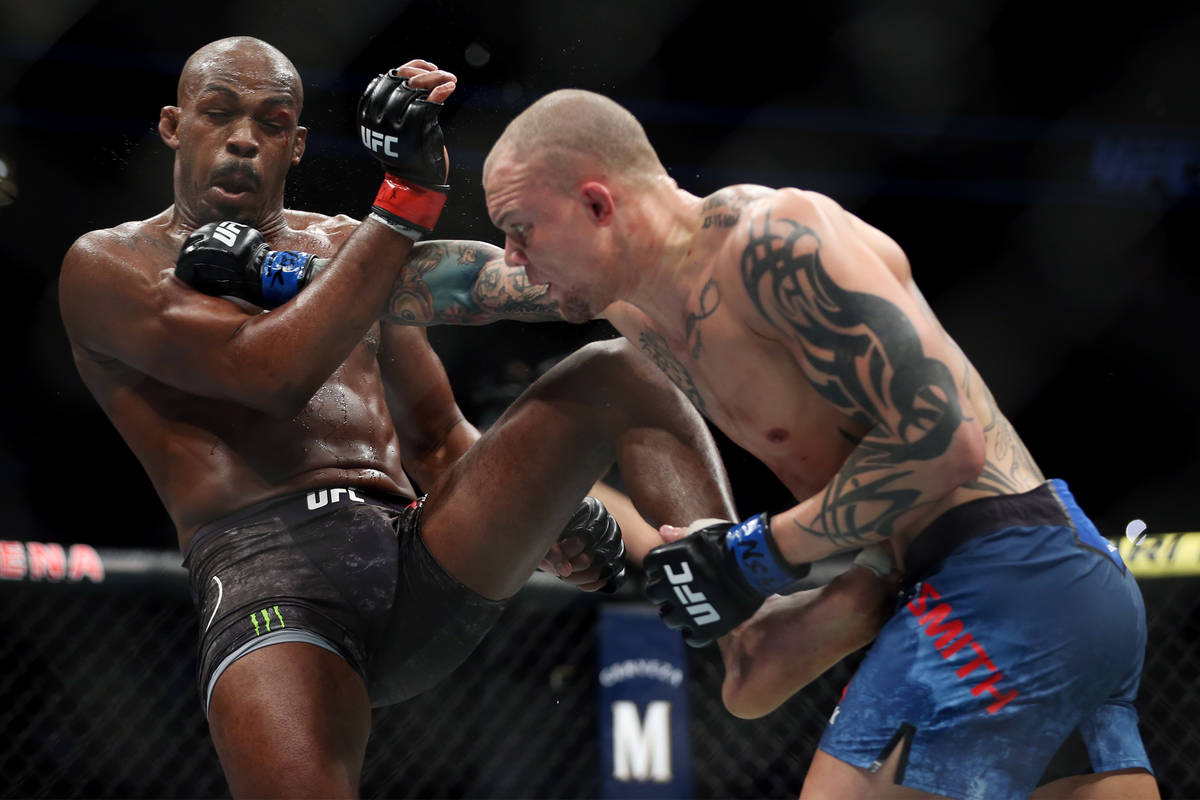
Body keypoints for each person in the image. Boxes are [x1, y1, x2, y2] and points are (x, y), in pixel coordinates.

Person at [57, 37, 747, 798]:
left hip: (415, 551)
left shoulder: (350, 250)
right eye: (218, 114)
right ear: (172, 126)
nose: (244, 138)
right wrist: (408, 198)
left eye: (272, 121)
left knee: (620, 369)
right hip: (268, 580)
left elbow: (443, 438)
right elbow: (271, 374)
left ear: (296, 145)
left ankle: (746, 607)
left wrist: (537, 519)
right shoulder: (109, 265)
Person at [469, 90, 1158, 799]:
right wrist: (390, 215)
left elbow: (947, 441)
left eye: (521, 229)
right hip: (1046, 588)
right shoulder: (629, 304)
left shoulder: (775, 242)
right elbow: (460, 284)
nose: (515, 259)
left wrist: (753, 553)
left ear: (597, 204)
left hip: (1000, 576)